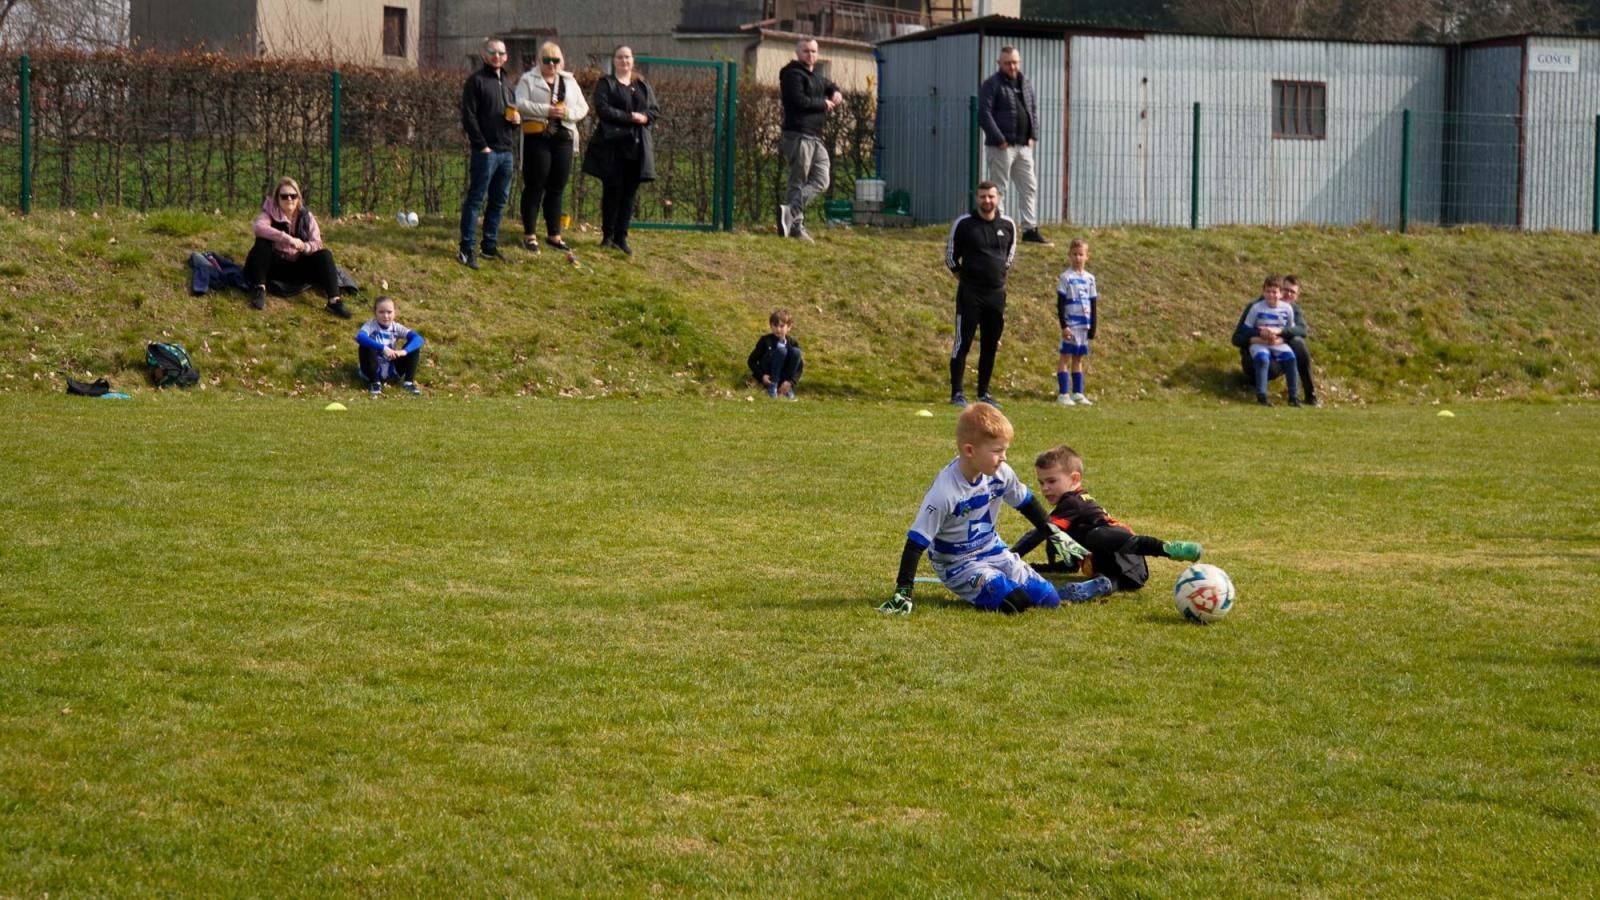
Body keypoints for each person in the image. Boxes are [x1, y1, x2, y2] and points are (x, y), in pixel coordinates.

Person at [878, 403, 1104, 616]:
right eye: (997, 451)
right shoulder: (945, 492)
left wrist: (1055, 534)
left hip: (993, 550)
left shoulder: (1001, 472)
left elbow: (1026, 504)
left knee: (1049, 598)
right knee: (1015, 603)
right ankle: (993, 586)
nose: (1003, 457)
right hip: (958, 563)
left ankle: (1064, 592)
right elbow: (916, 542)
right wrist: (903, 591)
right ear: (969, 450)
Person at [1011, 445, 1203, 593]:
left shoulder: (1073, 502)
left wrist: (1010, 558)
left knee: (1087, 534)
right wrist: (1040, 567)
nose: (1045, 488)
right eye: (1041, 482)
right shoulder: (1068, 510)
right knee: (1061, 537)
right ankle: (1102, 586)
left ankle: (1166, 548)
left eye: (1051, 481)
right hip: (1124, 574)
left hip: (1127, 555)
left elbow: (1038, 532)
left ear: (1075, 478)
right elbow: (1067, 552)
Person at [945, 181, 1016, 408]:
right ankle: (957, 393)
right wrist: (965, 279)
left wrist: (996, 279)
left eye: (991, 197)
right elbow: (951, 258)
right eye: (983, 196)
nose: (987, 201)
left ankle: (983, 393)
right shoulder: (964, 224)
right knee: (962, 342)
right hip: (970, 294)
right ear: (976, 198)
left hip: (996, 295)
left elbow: (1009, 257)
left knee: (990, 344)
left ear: (998, 198)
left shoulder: (1008, 225)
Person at [583, 45, 659, 257]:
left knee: (629, 194)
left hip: (637, 148)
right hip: (613, 147)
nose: (624, 61)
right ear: (614, 61)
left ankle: (621, 237)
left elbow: (654, 110)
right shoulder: (606, 83)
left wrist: (646, 118)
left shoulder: (642, 85)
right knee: (612, 191)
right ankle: (607, 236)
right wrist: (630, 117)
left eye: (627, 57)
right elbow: (603, 109)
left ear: (633, 60)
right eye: (620, 57)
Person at [513, 41, 588, 254]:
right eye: (547, 60)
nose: (552, 65)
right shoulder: (528, 79)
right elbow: (519, 103)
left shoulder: (569, 81)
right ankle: (529, 234)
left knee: (557, 186)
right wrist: (546, 110)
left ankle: (554, 234)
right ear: (539, 61)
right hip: (538, 136)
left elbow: (583, 107)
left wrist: (566, 114)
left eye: (556, 61)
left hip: (563, 137)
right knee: (535, 185)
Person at [245, 177, 349, 319]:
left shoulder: (306, 217)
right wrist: (287, 239)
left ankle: (334, 301)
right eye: (284, 196)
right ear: (277, 199)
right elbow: (259, 228)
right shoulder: (269, 213)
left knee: (325, 254)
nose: (289, 199)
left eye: (293, 196)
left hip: (298, 265)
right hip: (274, 265)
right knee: (261, 243)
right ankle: (259, 289)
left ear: (298, 198)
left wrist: (305, 247)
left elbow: (317, 242)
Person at [457, 37, 519, 270]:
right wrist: (482, 144)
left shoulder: (509, 83)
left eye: (501, 53)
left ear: (506, 57)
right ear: (484, 55)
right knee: (476, 199)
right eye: (492, 52)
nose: (497, 56)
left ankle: (489, 246)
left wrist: (516, 122)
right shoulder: (476, 81)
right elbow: (468, 116)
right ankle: (466, 248)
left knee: (499, 200)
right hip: (486, 152)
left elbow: (511, 115)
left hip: (506, 151)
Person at [979, 46, 1049, 246]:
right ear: (999, 64)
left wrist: (1032, 136)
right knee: (999, 188)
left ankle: (1030, 229)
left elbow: (1033, 111)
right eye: (1008, 63)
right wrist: (1000, 139)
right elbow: (984, 115)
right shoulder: (991, 85)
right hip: (1002, 147)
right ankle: (998, 228)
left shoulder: (1025, 84)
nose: (1012, 66)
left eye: (1015, 62)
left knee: (1029, 186)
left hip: (1023, 146)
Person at [776, 37, 842, 243]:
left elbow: (829, 84)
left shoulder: (815, 77)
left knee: (822, 180)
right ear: (797, 52)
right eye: (806, 51)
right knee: (798, 181)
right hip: (798, 135)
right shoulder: (792, 75)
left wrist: (836, 92)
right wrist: (823, 103)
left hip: (815, 136)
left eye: (814, 51)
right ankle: (796, 227)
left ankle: (789, 212)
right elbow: (799, 101)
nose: (810, 55)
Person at [1230, 274, 1319, 405]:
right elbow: (1237, 337)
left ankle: (1302, 396)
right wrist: (1258, 336)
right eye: (1286, 290)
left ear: (1297, 295)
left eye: (1292, 292)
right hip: (1256, 351)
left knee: (1297, 347)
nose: (1288, 294)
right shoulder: (1255, 307)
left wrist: (1280, 334)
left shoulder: (1291, 309)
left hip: (1277, 347)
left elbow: (1301, 330)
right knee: (1264, 361)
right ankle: (1260, 392)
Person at [355, 296, 424, 397]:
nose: (386, 316)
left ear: (394, 312)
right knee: (365, 346)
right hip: (372, 368)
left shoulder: (396, 327)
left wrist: (404, 351)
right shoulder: (370, 325)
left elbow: (419, 339)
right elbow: (360, 337)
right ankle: (375, 383)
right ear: (375, 312)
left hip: (392, 368)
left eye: (389, 312)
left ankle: (408, 383)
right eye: (381, 312)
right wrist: (383, 348)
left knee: (413, 347)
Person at [1055, 237, 1097, 406]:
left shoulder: (1090, 279)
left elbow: (1093, 303)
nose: (1078, 258)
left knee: (1078, 358)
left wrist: (1093, 326)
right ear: (1069, 255)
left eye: (1081, 254)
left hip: (1083, 325)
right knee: (1065, 356)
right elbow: (1060, 303)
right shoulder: (1066, 278)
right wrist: (1064, 326)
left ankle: (1077, 393)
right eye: (1075, 254)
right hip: (1071, 325)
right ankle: (1063, 394)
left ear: (1087, 256)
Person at [747, 308, 804, 400]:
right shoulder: (765, 341)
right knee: (782, 351)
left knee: (796, 352)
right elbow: (751, 361)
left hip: (785, 378)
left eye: (782, 326)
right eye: (775, 325)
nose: (778, 329)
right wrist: (762, 376)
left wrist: (791, 382)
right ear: (771, 326)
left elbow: (799, 367)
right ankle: (773, 386)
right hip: (769, 376)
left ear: (789, 327)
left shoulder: (792, 342)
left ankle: (786, 389)